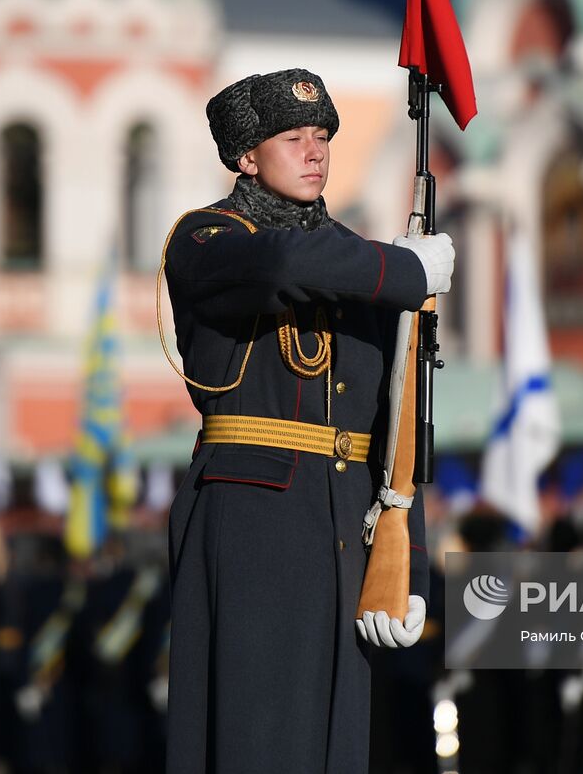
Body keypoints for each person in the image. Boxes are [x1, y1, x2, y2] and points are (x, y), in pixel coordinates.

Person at [162, 68, 453, 773]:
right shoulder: (207, 238)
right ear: (246, 157)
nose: (315, 150)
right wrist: (404, 270)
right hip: (255, 523)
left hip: (342, 526)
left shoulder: (359, 262)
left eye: (322, 135)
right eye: (292, 137)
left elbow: (398, 430)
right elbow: (282, 263)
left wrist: (404, 562)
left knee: (338, 747)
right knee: (258, 739)